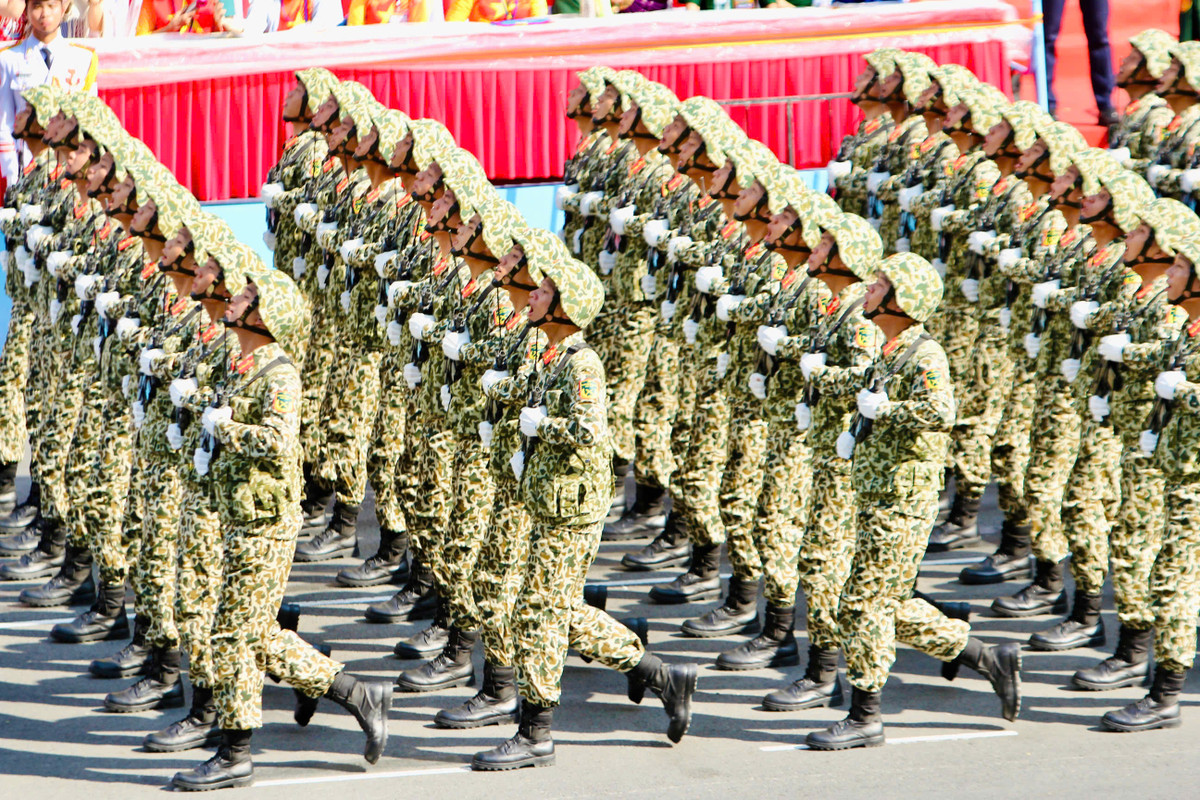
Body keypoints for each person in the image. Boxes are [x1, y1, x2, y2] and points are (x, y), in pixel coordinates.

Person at [804, 252, 1021, 750]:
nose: (870, 288)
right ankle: (985, 656)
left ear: (903, 300)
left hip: (902, 500)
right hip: (877, 491)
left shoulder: (925, 355)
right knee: (889, 605)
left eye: (881, 283)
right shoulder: (889, 349)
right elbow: (858, 383)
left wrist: (889, 410)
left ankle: (866, 714)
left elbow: (940, 411)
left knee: (862, 602)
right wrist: (815, 373)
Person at [0, 0, 97, 182]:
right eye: (36, 6)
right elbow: (4, 123)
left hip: (68, 172)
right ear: (26, 11)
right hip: (26, 168)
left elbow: (90, 124)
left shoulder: (84, 59)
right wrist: (12, 174)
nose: (44, 13)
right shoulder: (8, 58)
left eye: (51, 6)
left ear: (64, 7)